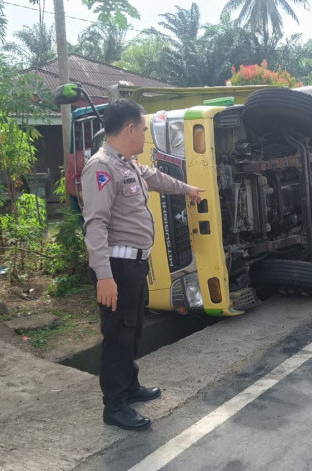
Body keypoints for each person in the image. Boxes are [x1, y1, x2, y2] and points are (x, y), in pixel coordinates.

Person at [81, 98, 204, 431]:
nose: (145, 136)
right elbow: (95, 225)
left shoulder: (128, 164)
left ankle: (130, 386)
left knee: (132, 330)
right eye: (144, 129)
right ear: (130, 128)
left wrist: (189, 188)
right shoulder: (101, 167)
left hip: (134, 267)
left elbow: (159, 178)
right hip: (117, 270)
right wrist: (104, 277)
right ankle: (115, 405)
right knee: (117, 335)